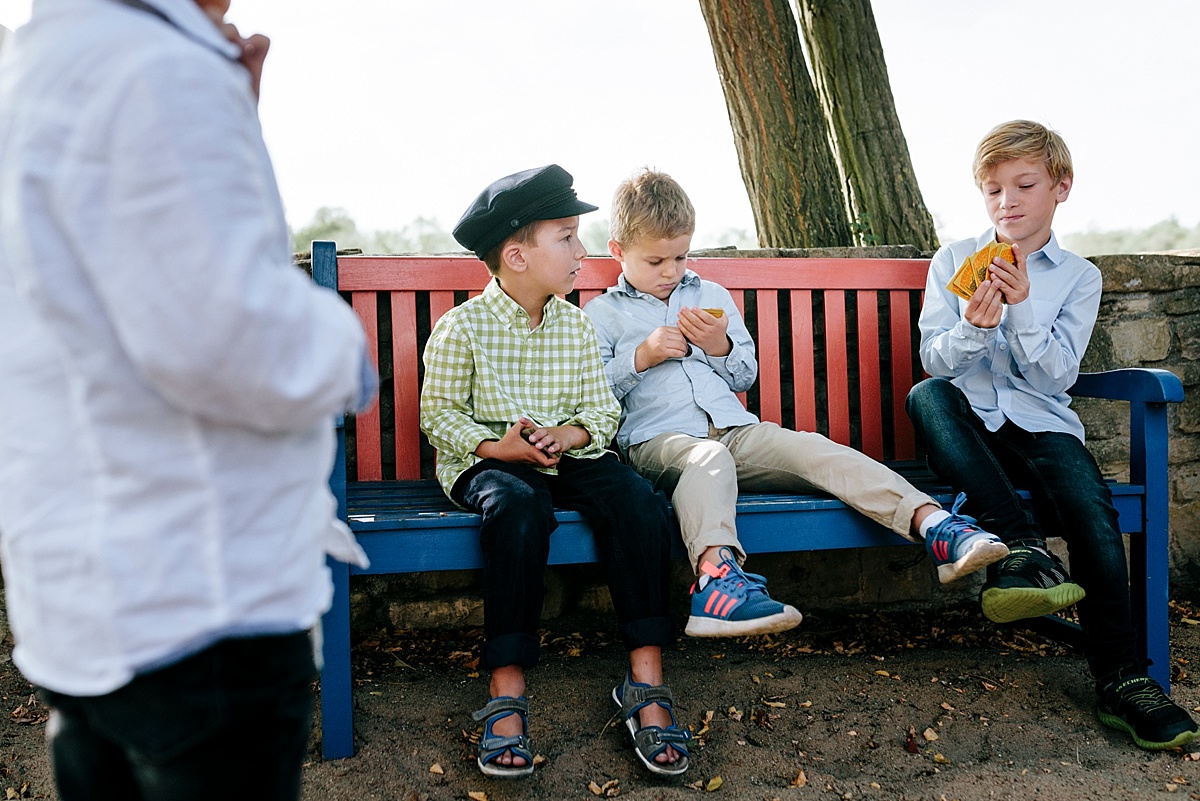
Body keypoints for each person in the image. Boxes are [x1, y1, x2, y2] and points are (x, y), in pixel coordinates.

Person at [0, 1, 377, 799]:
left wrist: (231, 123)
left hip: (84, 596)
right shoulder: (156, 71)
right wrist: (347, 349)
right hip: (197, 599)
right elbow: (229, 346)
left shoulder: (45, 60)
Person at [583, 169, 1008, 639]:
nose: (670, 271)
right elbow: (591, 399)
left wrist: (720, 345)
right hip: (658, 443)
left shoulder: (710, 295)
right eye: (655, 260)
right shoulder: (602, 315)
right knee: (709, 457)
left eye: (680, 257)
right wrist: (640, 357)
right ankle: (715, 583)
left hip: (734, 429)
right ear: (618, 250)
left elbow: (744, 375)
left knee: (813, 449)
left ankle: (936, 528)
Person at [905, 120, 1199, 750]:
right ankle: (1022, 548)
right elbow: (936, 361)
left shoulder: (1077, 277)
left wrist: (1024, 311)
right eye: (992, 190)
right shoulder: (955, 260)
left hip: (1040, 425)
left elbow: (1058, 373)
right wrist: (975, 329)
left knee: (1091, 509)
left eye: (1023, 185)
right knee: (926, 397)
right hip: (970, 438)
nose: (1006, 201)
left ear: (1060, 187)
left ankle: (1123, 681)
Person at [421, 165, 690, 778]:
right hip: (490, 463)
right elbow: (439, 416)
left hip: (568, 456)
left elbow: (600, 406)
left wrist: (571, 434)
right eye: (567, 237)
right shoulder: (462, 328)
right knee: (519, 509)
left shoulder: (575, 322)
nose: (582, 250)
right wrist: (498, 448)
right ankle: (506, 688)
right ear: (516, 255)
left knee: (638, 502)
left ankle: (645, 680)